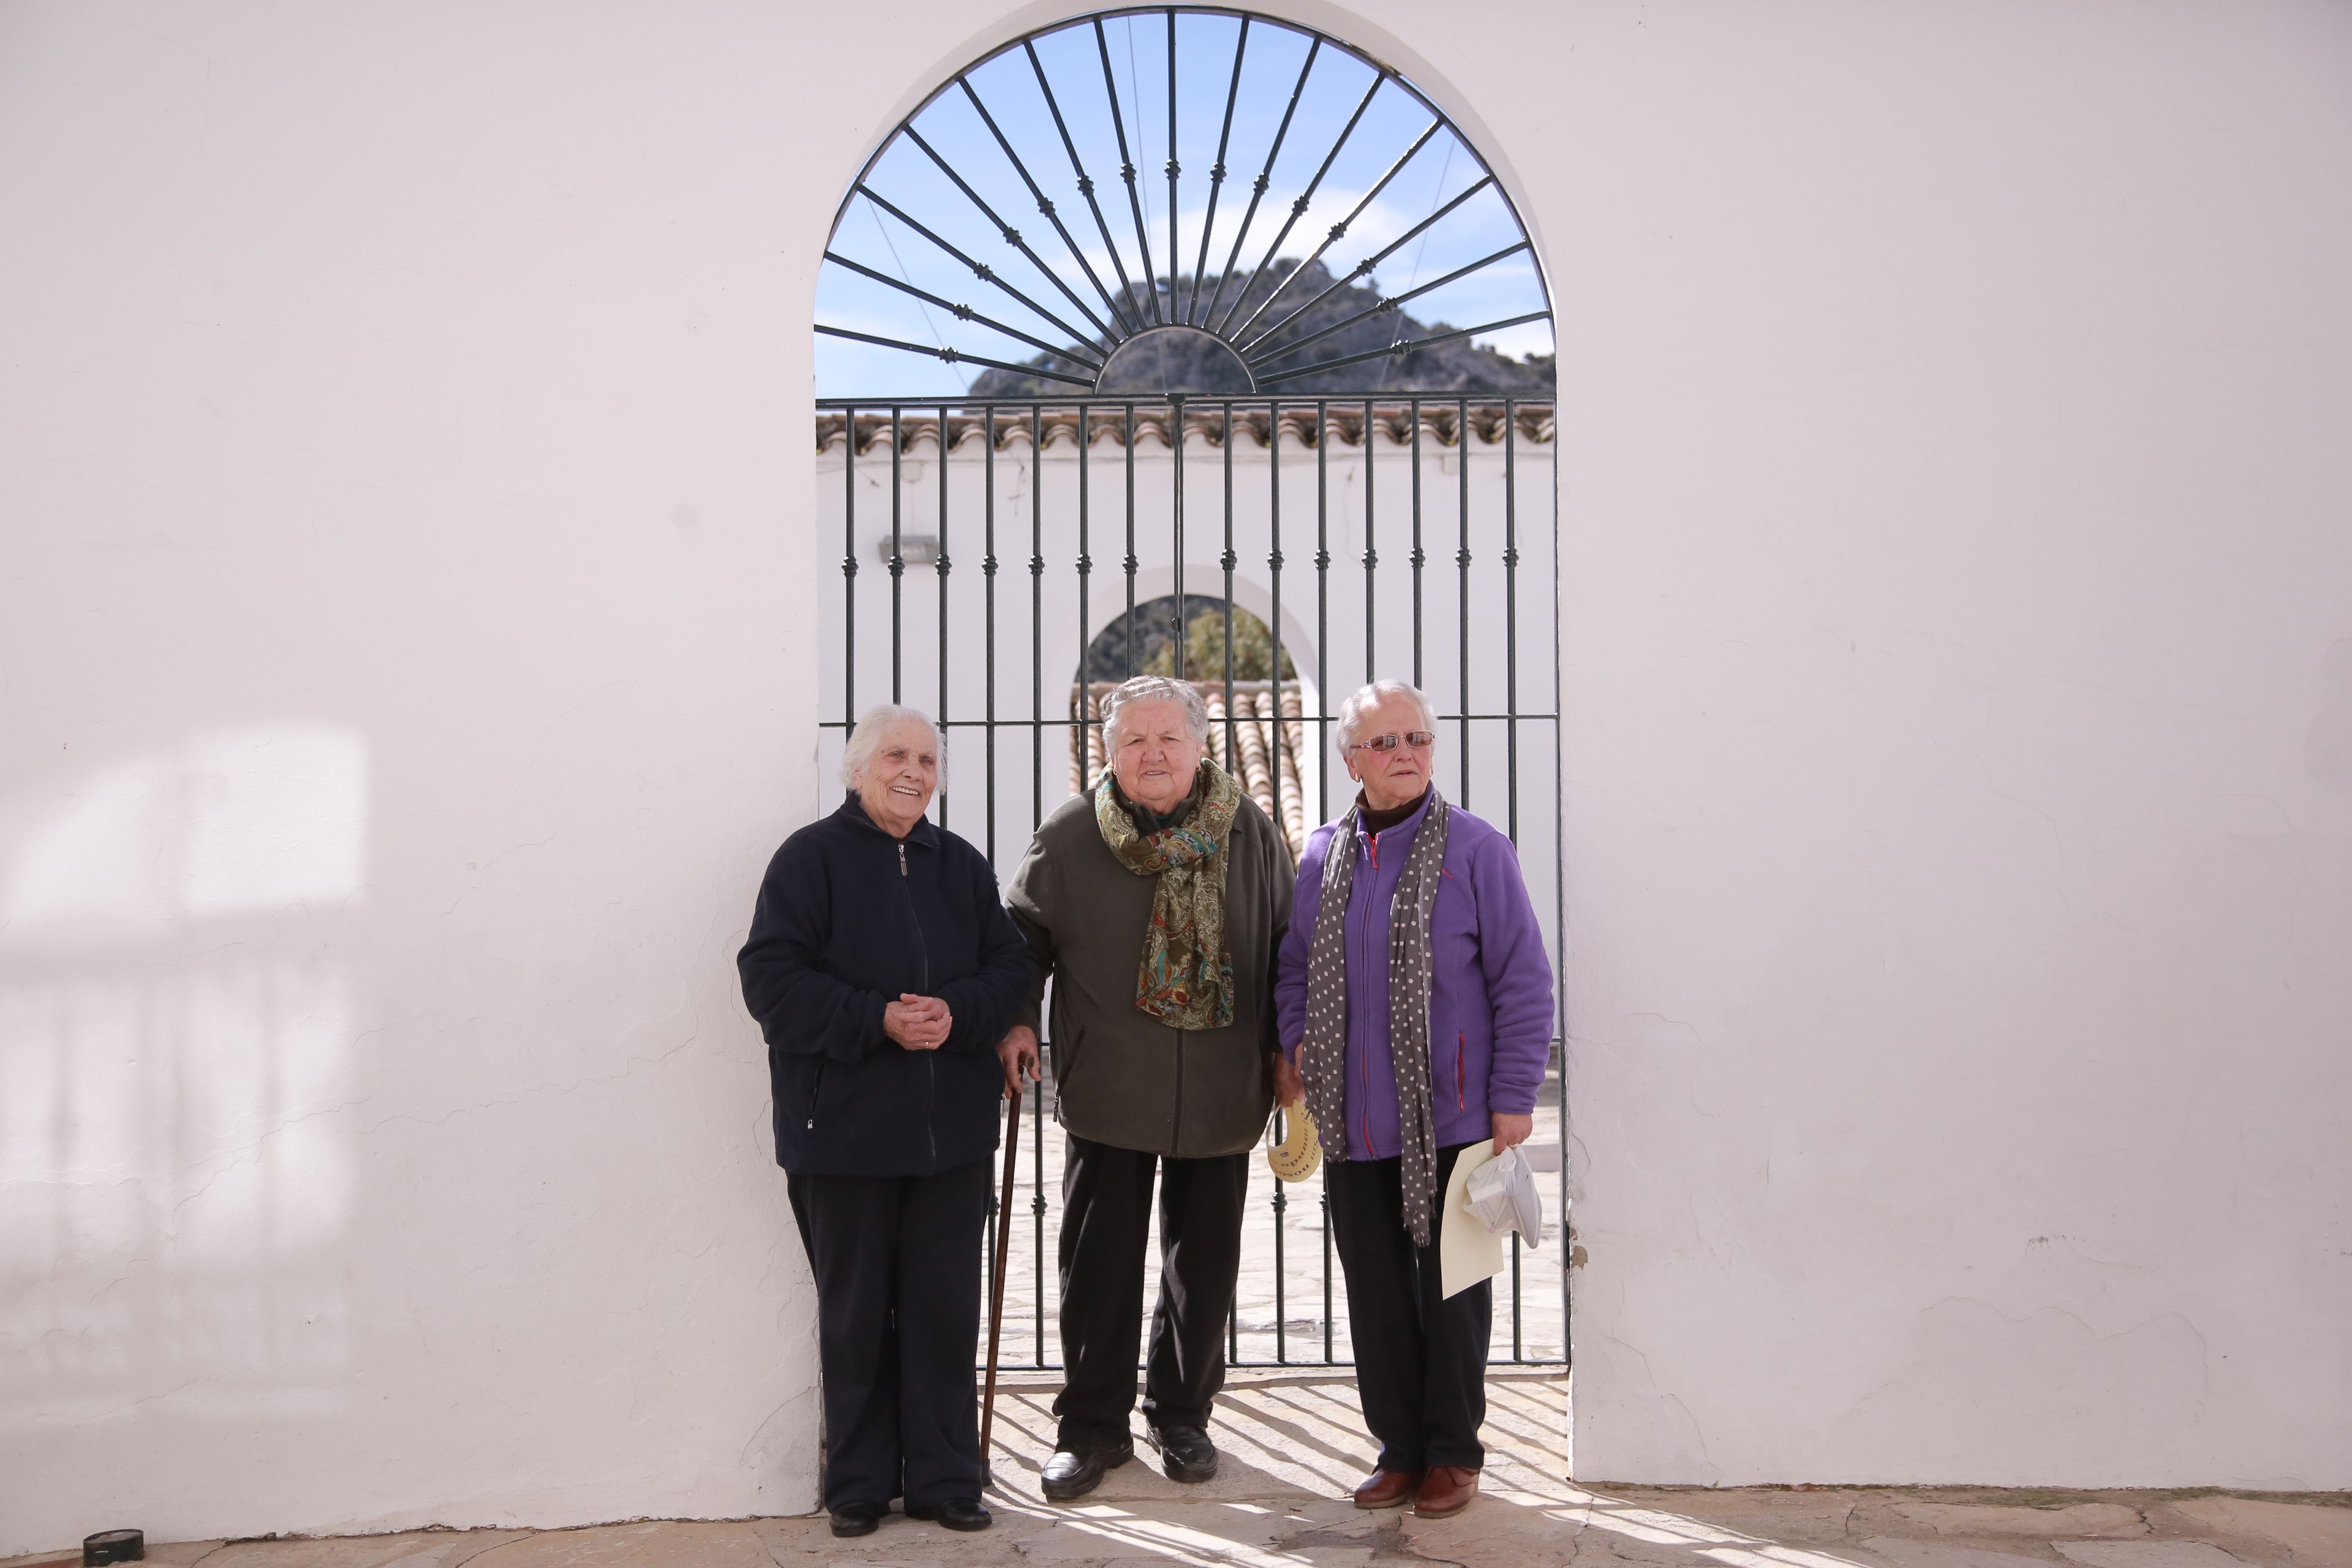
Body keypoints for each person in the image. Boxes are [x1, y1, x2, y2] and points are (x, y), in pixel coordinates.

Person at [997, 674, 1292, 1499]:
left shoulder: (1252, 832)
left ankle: (1182, 1415)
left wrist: (1290, 1050)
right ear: (1108, 749)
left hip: (1223, 1082)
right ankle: (1091, 1429)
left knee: (1203, 1267)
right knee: (1098, 1264)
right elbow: (1019, 940)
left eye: (1169, 738)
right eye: (1134, 740)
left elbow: (1287, 950)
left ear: (1201, 746)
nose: (1152, 753)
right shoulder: (1068, 836)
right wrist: (1018, 1021)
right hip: (1109, 1083)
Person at [737, 704, 1028, 1539]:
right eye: (897, 756)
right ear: (858, 768)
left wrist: (956, 1014)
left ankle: (946, 1479)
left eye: (928, 760)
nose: (914, 772)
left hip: (951, 1138)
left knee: (943, 1310)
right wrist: (878, 1021)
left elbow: (1008, 966)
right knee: (857, 1314)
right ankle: (858, 1483)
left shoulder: (960, 866)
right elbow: (771, 980)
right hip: (845, 1136)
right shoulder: (810, 861)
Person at [1273, 679, 1555, 1521]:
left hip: (1457, 1121)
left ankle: (1452, 1452)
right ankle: (1398, 1448)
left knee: (1454, 1295)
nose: (1404, 754)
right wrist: (1296, 1045)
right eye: (1384, 743)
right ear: (1351, 761)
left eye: (1416, 739)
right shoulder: (1324, 853)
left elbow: (1522, 978)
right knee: (1379, 1297)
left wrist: (1512, 1096)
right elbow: (1295, 966)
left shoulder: (1476, 849)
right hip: (1357, 1123)